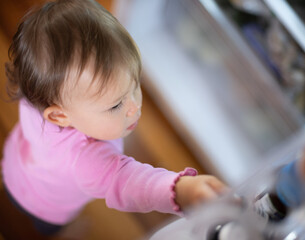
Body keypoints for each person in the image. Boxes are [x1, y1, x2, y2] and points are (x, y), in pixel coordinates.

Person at [1, 0, 227, 236]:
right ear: (59, 115)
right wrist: (181, 191)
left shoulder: (37, 94)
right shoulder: (85, 158)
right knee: (51, 229)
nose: (135, 106)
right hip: (45, 207)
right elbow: (125, 180)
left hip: (15, 166)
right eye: (116, 104)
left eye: (134, 83)